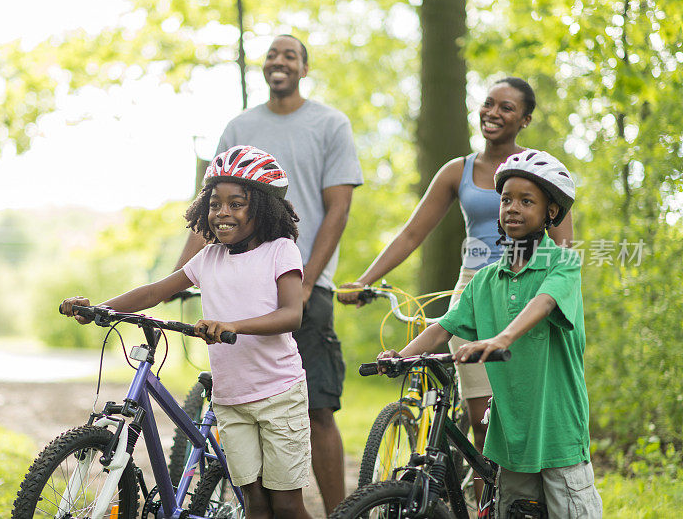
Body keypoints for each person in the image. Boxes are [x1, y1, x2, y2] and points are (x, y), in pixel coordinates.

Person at [338, 77, 573, 493]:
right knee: (482, 419)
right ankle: (485, 497)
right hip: (478, 286)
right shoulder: (458, 170)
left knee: (519, 406)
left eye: (506, 108)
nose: (493, 113)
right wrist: (365, 281)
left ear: (525, 119)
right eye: (488, 104)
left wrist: (552, 285)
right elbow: (412, 234)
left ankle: (523, 491)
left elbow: (563, 246)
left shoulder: (538, 170)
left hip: (530, 285)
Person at [62, 146, 312, 519]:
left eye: (236, 203)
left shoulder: (280, 251)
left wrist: (234, 326)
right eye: (214, 204)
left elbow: (292, 314)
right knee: (256, 504)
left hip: (279, 395)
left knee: (287, 505)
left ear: (262, 207)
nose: (222, 213)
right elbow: (154, 292)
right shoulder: (208, 257)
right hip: (231, 399)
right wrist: (101, 308)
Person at [174, 34, 363, 514]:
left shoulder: (329, 123)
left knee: (317, 406)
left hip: (302, 280)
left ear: (304, 67)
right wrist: (181, 274)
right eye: (272, 55)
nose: (279, 62)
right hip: (241, 273)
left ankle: (337, 511)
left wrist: (307, 278)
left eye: (291, 55)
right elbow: (215, 203)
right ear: (264, 66)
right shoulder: (240, 124)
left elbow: (338, 209)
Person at [379, 150, 602, 518]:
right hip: (510, 440)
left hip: (557, 434)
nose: (512, 208)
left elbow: (545, 302)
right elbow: (444, 326)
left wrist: (502, 338)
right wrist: (400, 356)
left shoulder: (561, 264)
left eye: (526, 201)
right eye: (506, 199)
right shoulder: (484, 281)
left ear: (551, 212)